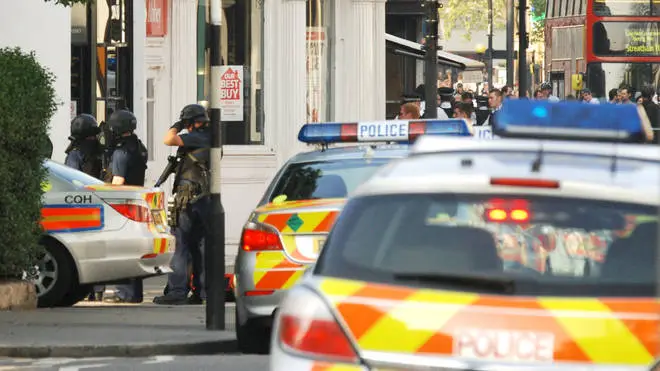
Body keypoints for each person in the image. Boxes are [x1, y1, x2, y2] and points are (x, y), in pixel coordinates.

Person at [153, 104, 212, 305]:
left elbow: (168, 139)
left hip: (188, 200)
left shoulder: (198, 137)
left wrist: (176, 126)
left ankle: (177, 291)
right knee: (199, 247)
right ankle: (201, 292)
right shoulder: (212, 138)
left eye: (187, 123)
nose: (186, 127)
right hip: (204, 200)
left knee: (180, 245)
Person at [105, 110, 149, 303]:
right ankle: (134, 292)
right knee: (133, 248)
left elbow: (118, 181)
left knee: (121, 249)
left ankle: (126, 292)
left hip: (123, 203)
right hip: (136, 199)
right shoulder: (139, 146)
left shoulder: (121, 152)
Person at [64, 114, 106, 301]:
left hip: (81, 203)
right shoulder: (103, 150)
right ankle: (99, 289)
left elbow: (69, 179)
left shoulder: (76, 153)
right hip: (102, 201)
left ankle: (85, 289)